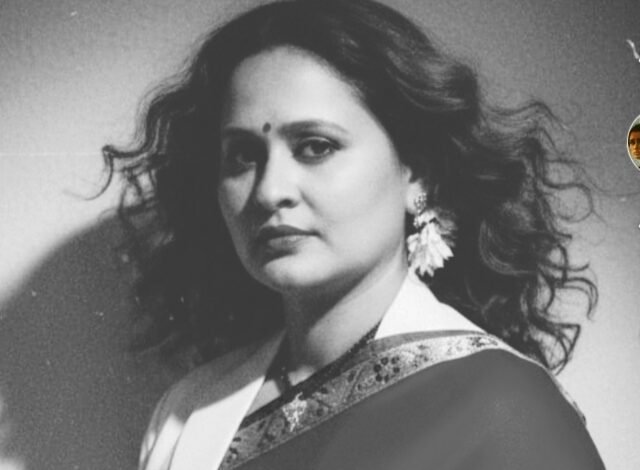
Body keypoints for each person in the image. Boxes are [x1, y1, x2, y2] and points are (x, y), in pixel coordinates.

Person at [103, 0, 604, 468]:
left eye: (315, 146)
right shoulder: (189, 413)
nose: (270, 191)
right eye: (243, 156)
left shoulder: (500, 403)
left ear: (418, 173)